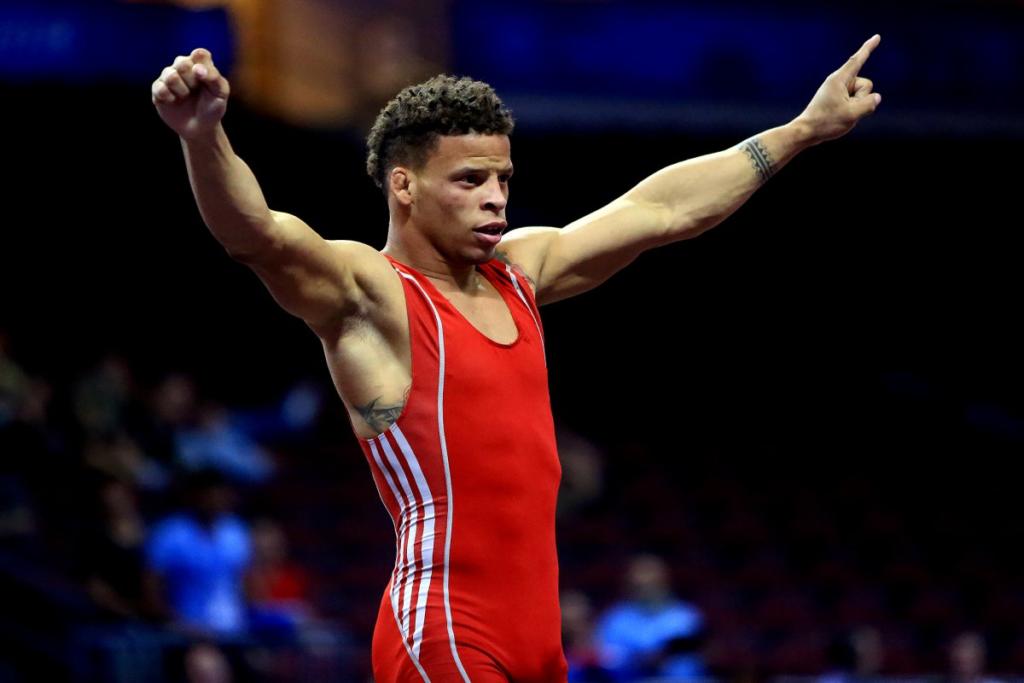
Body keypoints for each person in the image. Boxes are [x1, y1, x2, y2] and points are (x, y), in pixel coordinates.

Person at [151, 35, 882, 682]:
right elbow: (258, 236)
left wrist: (799, 132)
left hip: (537, 641)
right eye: (470, 180)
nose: (496, 198)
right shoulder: (371, 294)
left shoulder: (521, 271)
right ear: (403, 186)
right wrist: (203, 136)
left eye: (502, 178)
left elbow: (665, 211)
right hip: (441, 628)